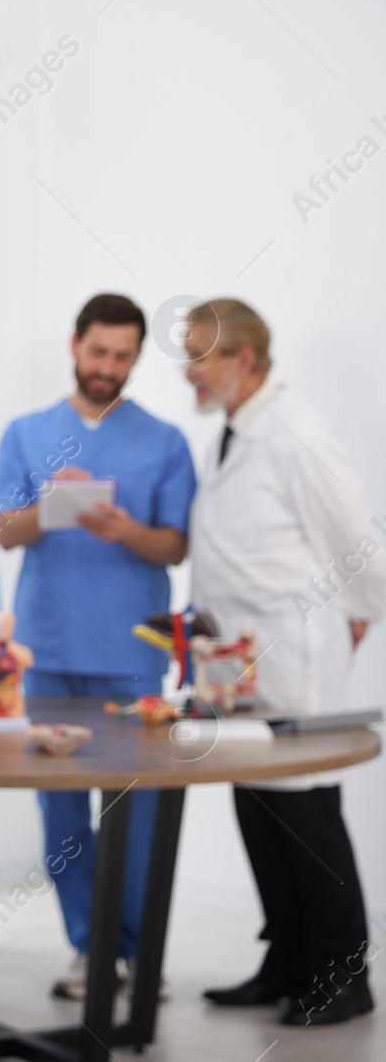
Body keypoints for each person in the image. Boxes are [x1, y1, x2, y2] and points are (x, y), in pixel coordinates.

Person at [0, 293, 195, 1000]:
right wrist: (52, 507)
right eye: (98, 351)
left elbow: (175, 543)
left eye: (123, 356)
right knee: (63, 816)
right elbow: (4, 531)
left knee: (132, 815)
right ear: (76, 345)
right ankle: (90, 949)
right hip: (46, 653)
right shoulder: (25, 431)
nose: (108, 367)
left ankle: (134, 951)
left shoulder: (165, 440)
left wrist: (122, 529)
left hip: (132, 654)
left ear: (137, 357)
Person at [184, 299, 379, 1026]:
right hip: (238, 659)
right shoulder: (234, 432)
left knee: (306, 809)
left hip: (294, 653)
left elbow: (357, 538)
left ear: (244, 359)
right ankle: (287, 956)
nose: (188, 370)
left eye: (199, 354)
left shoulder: (297, 432)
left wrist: (357, 614)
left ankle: (342, 971)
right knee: (258, 804)